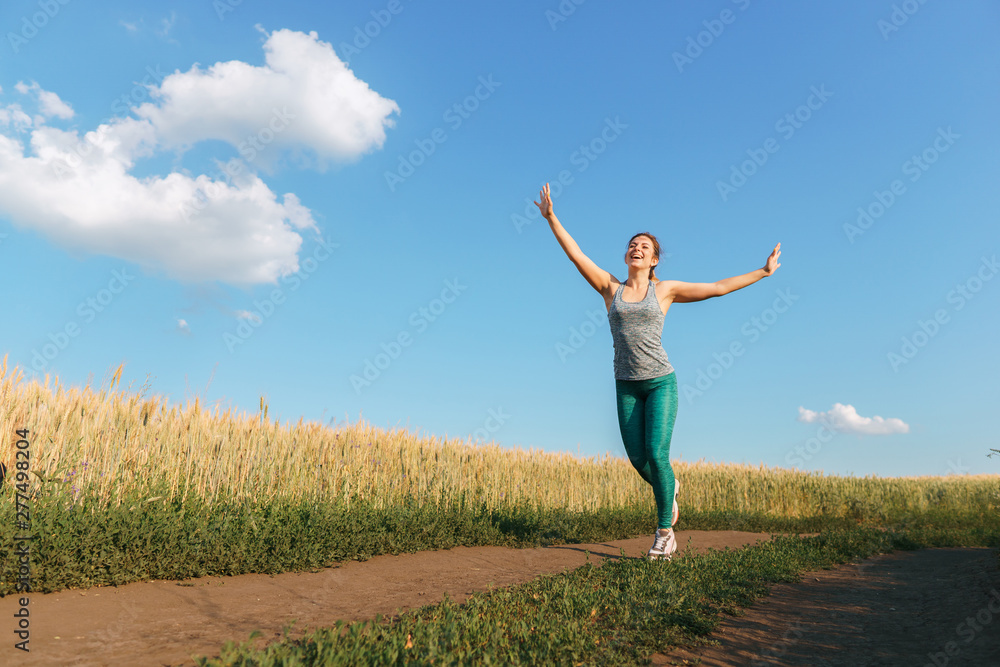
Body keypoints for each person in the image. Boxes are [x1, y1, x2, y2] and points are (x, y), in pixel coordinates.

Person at [534, 183, 782, 560]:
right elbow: (575, 254)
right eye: (633, 244)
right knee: (638, 459)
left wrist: (762, 273)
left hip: (660, 381)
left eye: (644, 247)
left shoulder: (664, 291)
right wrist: (552, 218)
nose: (637, 248)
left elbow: (716, 288)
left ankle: (664, 533)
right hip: (626, 385)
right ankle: (671, 489)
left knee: (656, 451)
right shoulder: (609, 288)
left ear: (654, 261)